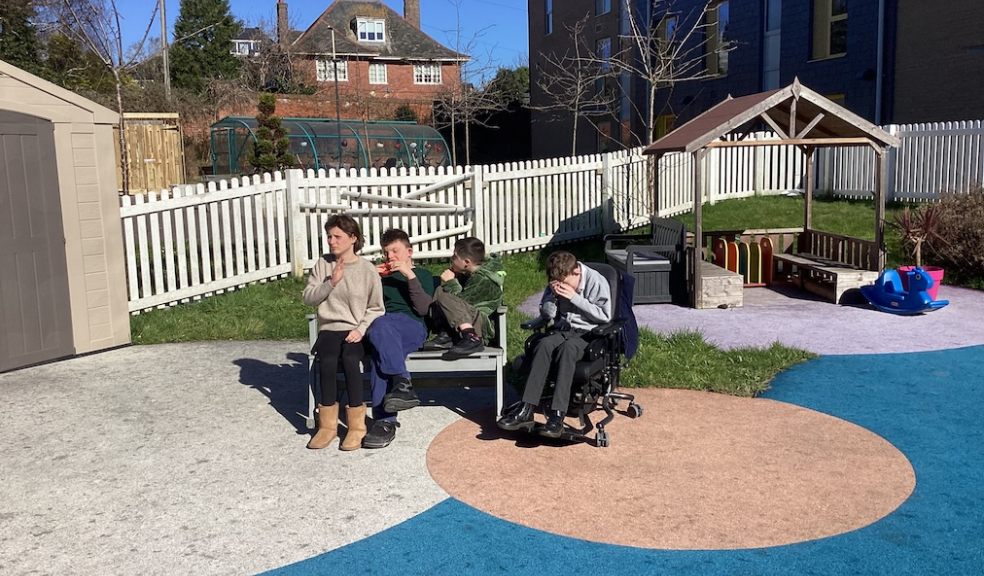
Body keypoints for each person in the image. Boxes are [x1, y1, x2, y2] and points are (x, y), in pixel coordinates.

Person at [497, 251, 611, 438]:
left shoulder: (596, 281)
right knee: (543, 345)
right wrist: (551, 301)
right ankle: (527, 408)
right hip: (563, 330)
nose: (560, 287)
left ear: (576, 273)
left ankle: (557, 416)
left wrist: (574, 298)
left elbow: (605, 316)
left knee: (567, 350)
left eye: (563, 283)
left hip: (588, 334)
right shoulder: (558, 282)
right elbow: (547, 314)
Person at [302, 215, 384, 451]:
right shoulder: (323, 264)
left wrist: (361, 329)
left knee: (350, 359)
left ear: (353, 238)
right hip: (330, 327)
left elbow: (377, 308)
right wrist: (331, 283)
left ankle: (356, 427)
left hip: (356, 329)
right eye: (329, 236)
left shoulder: (367, 269)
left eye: (337, 236)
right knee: (326, 361)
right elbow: (308, 297)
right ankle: (327, 427)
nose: (331, 241)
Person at [362, 229, 437, 449]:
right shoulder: (381, 279)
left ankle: (384, 420)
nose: (390, 257)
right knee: (378, 352)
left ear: (409, 252)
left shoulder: (422, 274)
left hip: (412, 327)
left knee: (380, 329)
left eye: (395, 251)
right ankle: (401, 386)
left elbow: (424, 309)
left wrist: (409, 275)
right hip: (382, 329)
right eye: (386, 253)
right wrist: (369, 277)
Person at [427, 237, 505, 360]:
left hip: (478, 325)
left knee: (444, 294)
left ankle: (471, 338)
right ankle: (447, 335)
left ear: (466, 262)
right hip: (469, 318)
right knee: (440, 291)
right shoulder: (470, 274)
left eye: (454, 256)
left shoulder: (483, 280)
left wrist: (451, 283)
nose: (451, 259)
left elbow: (462, 304)